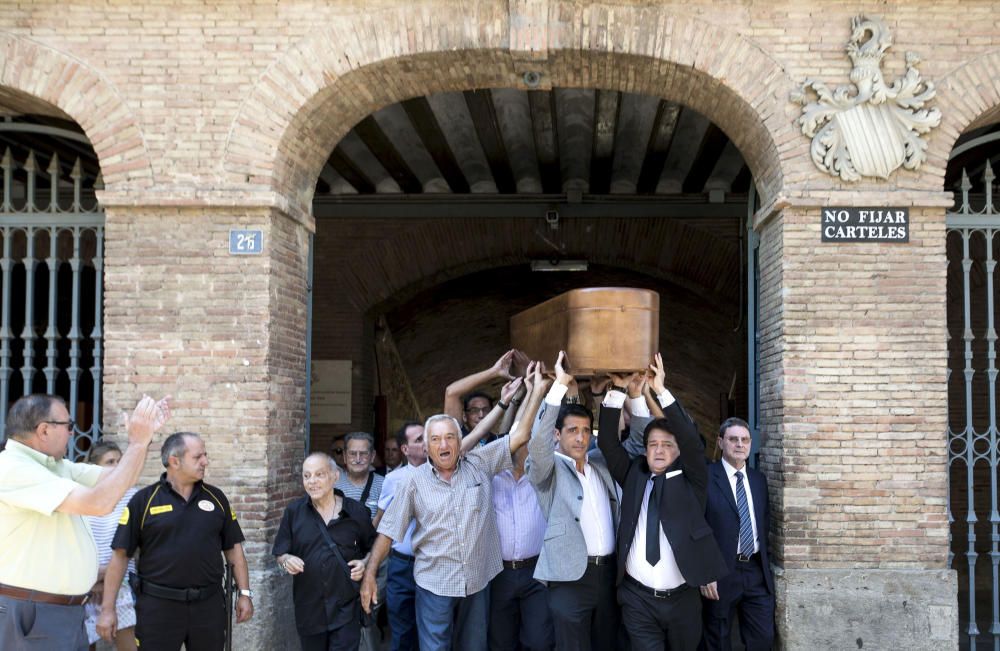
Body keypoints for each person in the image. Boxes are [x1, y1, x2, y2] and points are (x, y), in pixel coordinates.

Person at [362, 375, 530, 651]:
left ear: (459, 441)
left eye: (450, 438)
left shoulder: (478, 463)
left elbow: (520, 434)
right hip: (434, 584)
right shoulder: (412, 483)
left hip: (477, 581)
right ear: (426, 447)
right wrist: (369, 574)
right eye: (436, 439)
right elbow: (388, 530)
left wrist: (536, 390)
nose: (443, 445)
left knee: (473, 646)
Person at [0, 393, 169, 651]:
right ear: (44, 430)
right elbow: (98, 503)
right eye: (68, 426)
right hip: (33, 612)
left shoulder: (57, 466)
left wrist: (143, 442)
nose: (71, 433)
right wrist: (136, 444)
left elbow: (122, 479)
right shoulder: (12, 468)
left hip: (63, 610)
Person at [596, 354, 728, 651]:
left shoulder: (694, 480)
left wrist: (660, 390)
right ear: (644, 450)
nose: (659, 450)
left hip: (683, 599)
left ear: (678, 451)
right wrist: (617, 390)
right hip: (637, 598)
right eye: (653, 444)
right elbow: (606, 442)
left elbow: (692, 441)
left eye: (667, 445)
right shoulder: (633, 475)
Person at [97, 431, 254, 650]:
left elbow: (234, 549)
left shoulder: (217, 498)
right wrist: (107, 608)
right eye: (198, 457)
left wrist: (245, 594)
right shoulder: (144, 500)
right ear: (174, 461)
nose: (205, 462)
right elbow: (121, 556)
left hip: (208, 606)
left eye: (205, 455)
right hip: (158, 607)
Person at [525, 352, 621, 651]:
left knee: (607, 645)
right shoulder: (548, 468)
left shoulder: (601, 464)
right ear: (558, 434)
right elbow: (537, 446)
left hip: (609, 576)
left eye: (584, 431)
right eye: (572, 431)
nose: (579, 438)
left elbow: (632, 442)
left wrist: (617, 393)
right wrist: (558, 388)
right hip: (568, 582)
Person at [464, 363, 554, 651]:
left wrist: (538, 392)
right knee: (500, 641)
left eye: (525, 442)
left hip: (536, 572)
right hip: (498, 572)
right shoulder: (487, 474)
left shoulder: (543, 475)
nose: (521, 447)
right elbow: (466, 448)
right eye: (516, 442)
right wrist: (520, 397)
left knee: (538, 641)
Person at [273, 452, 376, 650]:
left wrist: (364, 563)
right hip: (309, 609)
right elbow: (280, 552)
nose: (312, 481)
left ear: (335, 476)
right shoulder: (294, 512)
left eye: (319, 474)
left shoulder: (356, 512)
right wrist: (286, 560)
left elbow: (373, 549)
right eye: (307, 476)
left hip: (346, 609)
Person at [699, 417, 774, 651]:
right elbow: (697, 528)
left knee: (763, 638)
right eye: (733, 439)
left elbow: (764, 522)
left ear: (751, 444)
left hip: (755, 571)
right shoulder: (706, 477)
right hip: (720, 571)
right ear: (721, 442)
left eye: (745, 440)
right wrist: (705, 571)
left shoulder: (758, 480)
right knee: (718, 640)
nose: (739, 444)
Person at [374, 420, 426, 651]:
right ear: (405, 449)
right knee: (402, 630)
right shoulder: (394, 479)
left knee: (432, 629)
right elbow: (381, 521)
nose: (426, 443)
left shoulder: (443, 475)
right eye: (419, 439)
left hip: (432, 565)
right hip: (401, 566)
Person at [83, 441, 139, 651]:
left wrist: (107, 575)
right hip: (85, 584)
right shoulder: (82, 496)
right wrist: (92, 579)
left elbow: (133, 544)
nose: (116, 466)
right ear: (95, 467)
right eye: (109, 462)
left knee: (127, 645)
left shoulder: (132, 495)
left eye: (119, 461)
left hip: (119, 583)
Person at [444, 349, 527, 437]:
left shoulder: (498, 442)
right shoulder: (457, 439)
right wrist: (494, 371)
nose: (481, 415)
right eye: (474, 410)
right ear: (464, 416)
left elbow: (515, 431)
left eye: (486, 410)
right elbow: (451, 392)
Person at [336, 432, 384, 519]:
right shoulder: (332, 483)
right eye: (352, 454)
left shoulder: (384, 485)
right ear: (344, 456)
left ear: (372, 456)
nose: (358, 459)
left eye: (363, 453)